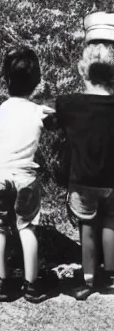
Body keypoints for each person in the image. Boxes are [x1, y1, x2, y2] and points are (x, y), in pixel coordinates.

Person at [0, 45, 54, 303]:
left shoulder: (2, 110)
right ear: (35, 81)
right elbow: (54, 120)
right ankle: (31, 284)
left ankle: (1, 284)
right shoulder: (37, 111)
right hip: (25, 175)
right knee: (27, 227)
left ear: (6, 79)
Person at [56, 34, 114, 300]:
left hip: (82, 179)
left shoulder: (70, 104)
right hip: (111, 179)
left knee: (87, 227)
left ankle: (88, 280)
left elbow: (54, 122)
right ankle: (111, 277)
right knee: (111, 223)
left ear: (83, 69)